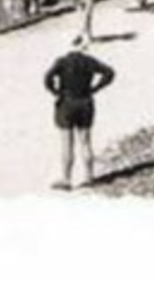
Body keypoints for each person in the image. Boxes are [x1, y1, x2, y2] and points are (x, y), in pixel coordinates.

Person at [44, 35, 116, 190]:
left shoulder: (62, 61)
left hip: (67, 103)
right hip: (85, 102)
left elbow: (47, 78)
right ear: (84, 46)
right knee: (85, 141)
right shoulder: (89, 61)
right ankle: (89, 177)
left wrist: (55, 91)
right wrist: (95, 88)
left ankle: (66, 179)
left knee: (67, 143)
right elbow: (109, 73)